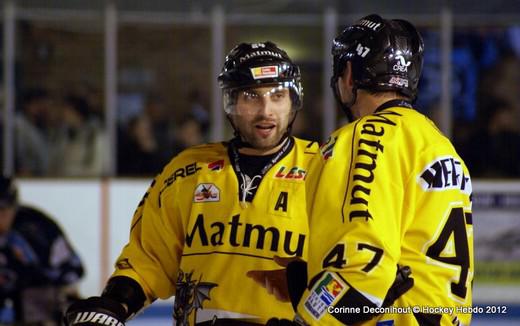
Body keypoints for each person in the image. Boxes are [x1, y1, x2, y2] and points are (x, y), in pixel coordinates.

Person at [65, 41, 320, 325]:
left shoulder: (323, 169)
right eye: (251, 96)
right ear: (231, 102)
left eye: (277, 96)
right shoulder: (188, 170)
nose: (266, 111)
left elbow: (353, 270)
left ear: (293, 101)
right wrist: (114, 303)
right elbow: (150, 258)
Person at [283, 14, 473, 325]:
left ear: (348, 75)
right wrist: (306, 276)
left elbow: (361, 274)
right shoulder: (437, 143)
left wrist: (306, 319)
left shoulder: (362, 138)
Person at [0, 176, 85, 324]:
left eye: (3, 211)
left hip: (41, 294)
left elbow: (72, 270)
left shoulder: (36, 229)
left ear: (13, 208)